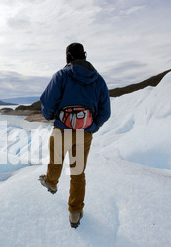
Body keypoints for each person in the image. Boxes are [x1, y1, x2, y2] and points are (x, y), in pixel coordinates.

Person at [39, 43, 111, 228]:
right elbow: (105, 112)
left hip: (62, 129)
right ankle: (75, 212)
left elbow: (47, 102)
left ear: (68, 56)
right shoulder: (98, 80)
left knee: (56, 160)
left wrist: (52, 116)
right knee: (77, 172)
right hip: (84, 133)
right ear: (84, 56)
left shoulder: (62, 76)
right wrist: (92, 126)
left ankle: (51, 183)